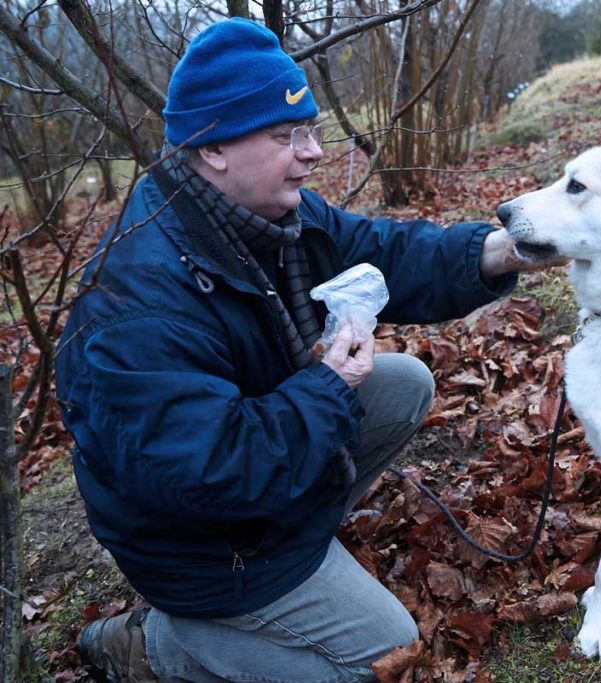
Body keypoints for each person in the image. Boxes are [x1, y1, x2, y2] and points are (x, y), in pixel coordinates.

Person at [56, 18, 551, 683]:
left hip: (258, 475)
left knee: (403, 384)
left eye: (313, 130)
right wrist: (325, 384)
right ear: (212, 148)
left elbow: (386, 252)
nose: (313, 152)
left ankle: (304, 543)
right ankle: (157, 644)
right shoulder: (135, 301)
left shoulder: (274, 217)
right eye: (286, 136)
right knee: (378, 658)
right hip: (202, 545)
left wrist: (505, 250)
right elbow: (208, 471)